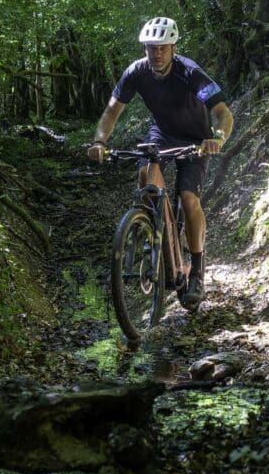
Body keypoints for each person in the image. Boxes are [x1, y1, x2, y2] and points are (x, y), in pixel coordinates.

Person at [88, 16, 233, 310]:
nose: (157, 54)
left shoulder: (190, 73)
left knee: (189, 197)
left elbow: (223, 113)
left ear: (173, 47)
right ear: (145, 49)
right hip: (163, 133)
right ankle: (158, 229)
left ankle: (197, 270)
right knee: (145, 172)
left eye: (163, 48)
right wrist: (99, 141)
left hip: (196, 137)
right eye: (151, 48)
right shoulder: (136, 73)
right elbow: (111, 112)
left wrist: (217, 138)